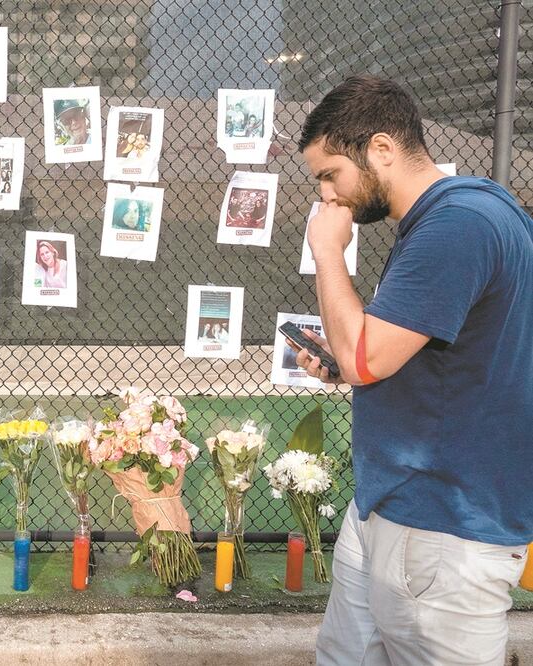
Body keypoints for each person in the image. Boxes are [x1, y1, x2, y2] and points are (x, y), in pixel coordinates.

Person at [293, 75, 533, 665]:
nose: (327, 196)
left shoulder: (456, 226)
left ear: (381, 149)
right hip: (396, 504)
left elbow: (366, 357)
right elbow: (409, 354)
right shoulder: (470, 209)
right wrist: (345, 362)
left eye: (331, 174)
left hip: (442, 524)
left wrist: (326, 251)